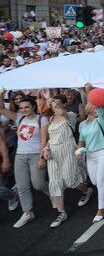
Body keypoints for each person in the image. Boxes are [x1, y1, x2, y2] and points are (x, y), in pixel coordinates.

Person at [0, 93, 51, 228]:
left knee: (38, 184)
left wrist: (41, 158)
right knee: (22, 187)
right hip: (20, 156)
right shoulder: (19, 118)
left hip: (35, 154)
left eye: (26, 107)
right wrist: (0, 95)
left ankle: (53, 194)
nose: (23, 110)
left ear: (33, 106)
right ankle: (27, 212)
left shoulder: (41, 120)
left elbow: (44, 140)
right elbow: (1, 109)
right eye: (21, 107)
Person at [41, 94, 90, 227]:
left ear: (63, 104)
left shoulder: (70, 115)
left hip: (67, 149)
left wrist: (49, 100)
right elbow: (50, 138)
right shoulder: (51, 118)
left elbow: (61, 112)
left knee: (70, 180)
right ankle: (61, 212)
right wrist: (46, 149)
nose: (54, 106)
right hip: (53, 152)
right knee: (54, 182)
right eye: (52, 104)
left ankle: (86, 190)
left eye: (56, 103)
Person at [77, 103, 104, 223]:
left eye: (98, 108)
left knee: (100, 182)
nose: (97, 110)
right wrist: (78, 151)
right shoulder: (82, 124)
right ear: (88, 109)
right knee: (94, 181)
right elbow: (81, 141)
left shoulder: (101, 120)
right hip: (90, 155)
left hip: (103, 153)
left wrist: (93, 95)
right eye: (94, 108)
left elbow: (101, 112)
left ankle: (101, 210)